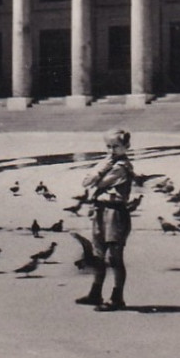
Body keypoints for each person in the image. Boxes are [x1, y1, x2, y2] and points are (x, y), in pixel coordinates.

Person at [78, 128, 141, 310]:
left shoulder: (122, 166)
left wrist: (102, 168)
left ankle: (117, 297)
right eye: (108, 147)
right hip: (100, 210)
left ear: (126, 146)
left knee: (115, 257)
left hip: (115, 213)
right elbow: (85, 181)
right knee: (99, 255)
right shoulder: (108, 162)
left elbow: (94, 182)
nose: (111, 151)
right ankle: (95, 293)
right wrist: (103, 166)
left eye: (116, 146)